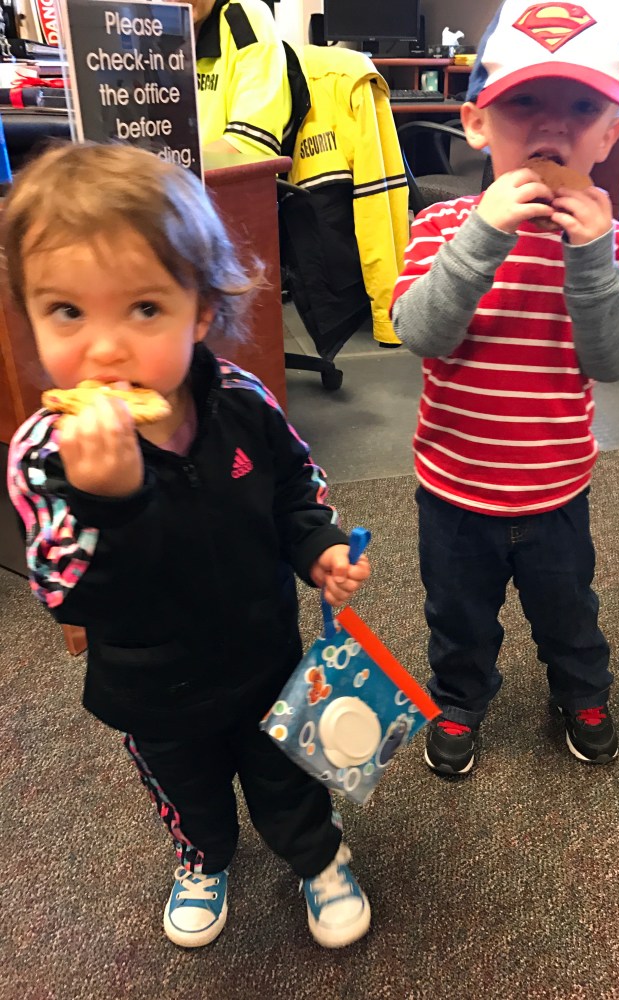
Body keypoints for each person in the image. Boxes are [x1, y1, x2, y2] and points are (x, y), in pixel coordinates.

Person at [5, 142, 372, 949]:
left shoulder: (241, 401)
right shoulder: (44, 454)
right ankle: (202, 861)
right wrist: (110, 501)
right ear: (28, 313)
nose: (105, 348)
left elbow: (293, 484)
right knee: (188, 792)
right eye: (67, 311)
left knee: (290, 775)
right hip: (154, 688)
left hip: (265, 654)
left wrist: (317, 546)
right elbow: (64, 593)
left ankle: (317, 857)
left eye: (144, 309)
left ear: (201, 311)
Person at [390, 0, 619, 775]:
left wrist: (591, 257)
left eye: (582, 108)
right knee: (458, 618)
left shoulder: (613, 244)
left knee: (569, 612)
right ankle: (459, 699)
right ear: (477, 123)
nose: (552, 127)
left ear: (611, 134)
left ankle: (582, 693)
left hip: (555, 490)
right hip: (454, 489)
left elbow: (615, 360)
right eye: (525, 101)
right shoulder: (442, 228)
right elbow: (420, 332)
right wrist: (483, 236)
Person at [177, 0, 308, 160]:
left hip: (227, 173)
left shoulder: (245, 19)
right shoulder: (158, 28)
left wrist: (168, 169)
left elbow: (248, 148)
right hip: (182, 172)